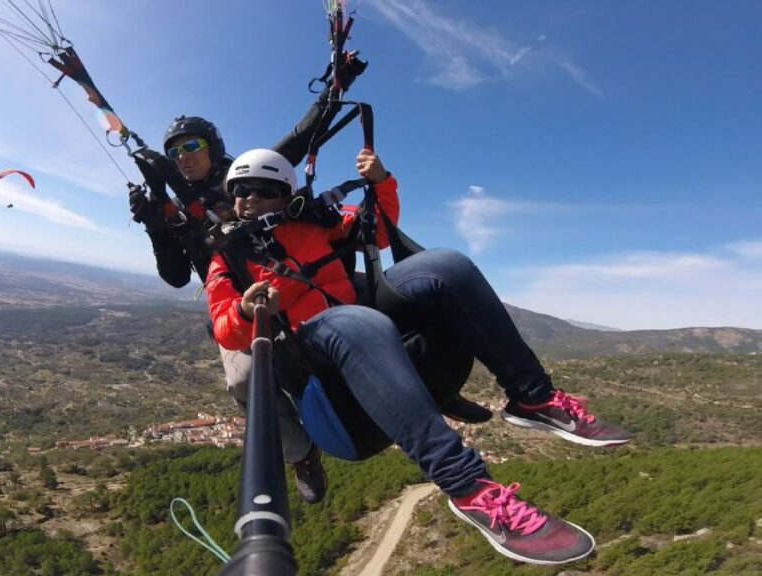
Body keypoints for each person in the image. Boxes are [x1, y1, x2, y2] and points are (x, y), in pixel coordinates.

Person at [204, 147, 631, 564]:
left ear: (286, 195)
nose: (248, 200)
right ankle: (469, 489)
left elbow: (379, 229)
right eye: (240, 191)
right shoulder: (229, 255)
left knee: (446, 265)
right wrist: (246, 309)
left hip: (362, 332)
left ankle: (533, 397)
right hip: (313, 360)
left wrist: (382, 182)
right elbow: (224, 327)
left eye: (262, 190)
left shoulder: (315, 223)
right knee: (355, 321)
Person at [127, 70, 369, 504]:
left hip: (294, 272)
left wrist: (335, 88)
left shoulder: (247, 175)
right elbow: (177, 276)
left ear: (212, 147)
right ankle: (302, 455)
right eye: (174, 152)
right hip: (237, 302)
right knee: (244, 381)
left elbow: (300, 138)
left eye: (190, 146)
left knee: (370, 305)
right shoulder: (176, 209)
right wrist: (154, 224)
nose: (182, 156)